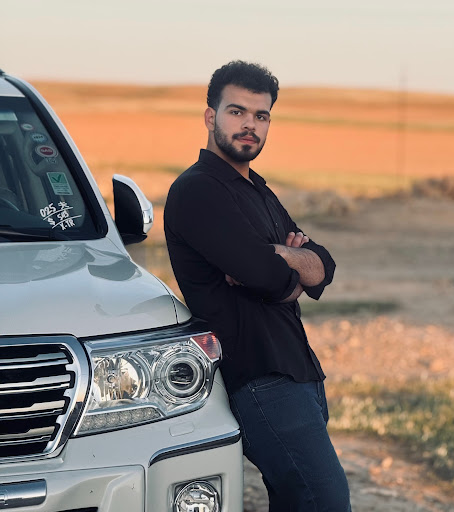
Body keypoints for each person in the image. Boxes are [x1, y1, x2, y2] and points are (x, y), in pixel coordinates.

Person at [164, 60, 351, 511]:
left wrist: (280, 256)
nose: (250, 125)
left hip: (298, 371)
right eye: (237, 112)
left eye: (261, 115)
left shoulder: (259, 191)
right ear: (211, 116)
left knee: (298, 501)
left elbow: (323, 265)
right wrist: (285, 268)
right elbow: (266, 277)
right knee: (326, 500)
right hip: (259, 379)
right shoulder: (197, 191)